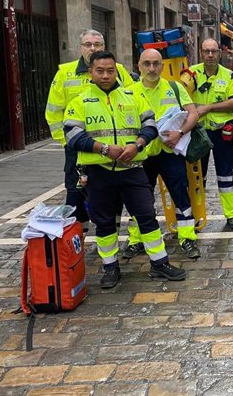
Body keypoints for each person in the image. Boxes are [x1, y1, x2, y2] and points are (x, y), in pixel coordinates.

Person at [64, 51, 187, 288]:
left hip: (132, 168)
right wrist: (103, 149)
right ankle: (110, 267)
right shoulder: (79, 102)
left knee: (146, 216)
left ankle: (159, 263)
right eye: (100, 71)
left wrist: (137, 144)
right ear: (91, 72)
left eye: (110, 70)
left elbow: (150, 125)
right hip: (98, 171)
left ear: (117, 71)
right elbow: (73, 136)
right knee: (105, 222)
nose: (105, 75)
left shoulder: (133, 96)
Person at [45, 30, 133, 228]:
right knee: (76, 191)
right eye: (87, 44)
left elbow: (133, 99)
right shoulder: (64, 73)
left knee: (113, 190)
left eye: (97, 44)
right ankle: (78, 237)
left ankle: (112, 229)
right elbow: (53, 110)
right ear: (80, 47)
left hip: (111, 145)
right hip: (78, 147)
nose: (92, 48)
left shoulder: (117, 69)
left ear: (104, 47)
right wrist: (66, 141)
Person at [123, 49, 201, 260]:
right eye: (147, 63)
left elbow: (193, 113)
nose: (151, 68)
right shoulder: (128, 91)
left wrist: (181, 132)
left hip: (169, 151)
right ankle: (136, 240)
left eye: (156, 63)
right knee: (138, 198)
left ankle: (187, 238)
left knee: (180, 195)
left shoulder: (174, 87)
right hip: (141, 154)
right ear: (139, 66)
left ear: (163, 66)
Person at [189, 39, 233, 230]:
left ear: (219, 53)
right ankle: (195, 214)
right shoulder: (190, 74)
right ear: (201, 53)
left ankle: (232, 215)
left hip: (221, 134)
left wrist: (208, 108)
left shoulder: (228, 75)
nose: (210, 55)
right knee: (196, 177)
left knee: (225, 175)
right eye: (206, 51)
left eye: (213, 51)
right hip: (198, 133)